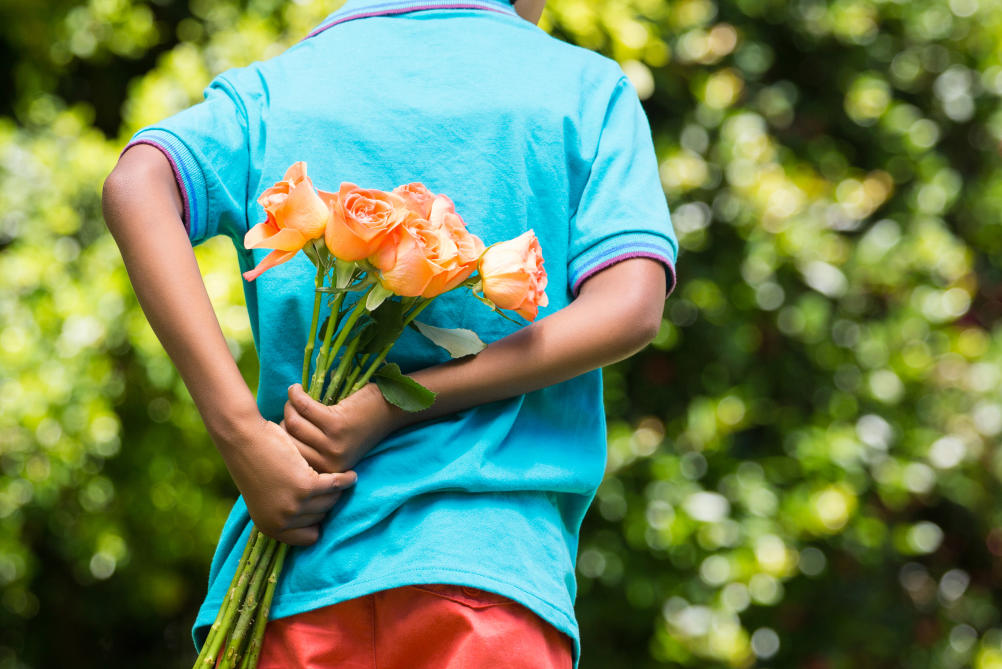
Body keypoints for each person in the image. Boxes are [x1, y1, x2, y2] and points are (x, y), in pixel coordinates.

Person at [100, 0, 678, 665]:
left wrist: (242, 435)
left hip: (294, 577)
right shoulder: (582, 88)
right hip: (486, 575)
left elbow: (136, 181)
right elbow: (632, 304)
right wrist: (397, 404)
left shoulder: (278, 90)